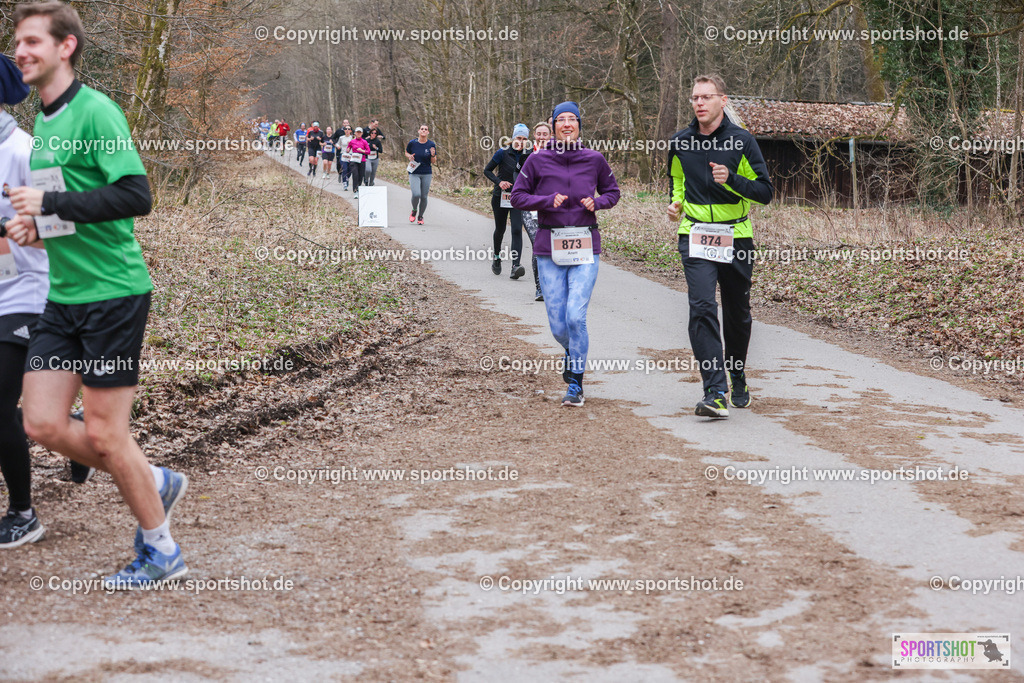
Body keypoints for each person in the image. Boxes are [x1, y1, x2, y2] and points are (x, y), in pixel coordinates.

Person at [7, 1, 190, 586]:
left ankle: (162, 551)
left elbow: (136, 195)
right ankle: (154, 478)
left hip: (113, 295)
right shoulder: (45, 127)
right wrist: (36, 228)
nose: (21, 51)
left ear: (66, 47)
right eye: (17, 42)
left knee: (109, 435)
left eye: (33, 40)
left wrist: (50, 205)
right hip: (62, 297)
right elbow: (66, 213)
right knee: (41, 423)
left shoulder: (95, 112)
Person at [667, 74, 773, 418]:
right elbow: (678, 181)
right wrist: (676, 204)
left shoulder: (742, 141)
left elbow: (765, 192)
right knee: (701, 307)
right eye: (695, 97)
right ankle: (714, 390)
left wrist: (733, 180)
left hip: (736, 236)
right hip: (695, 235)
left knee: (737, 314)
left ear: (722, 101)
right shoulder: (681, 141)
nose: (699, 103)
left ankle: (737, 371)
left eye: (706, 97)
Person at [510, 102, 619, 407]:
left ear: (579, 126)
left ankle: (576, 383)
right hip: (549, 248)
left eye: (573, 119)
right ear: (554, 126)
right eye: (562, 120)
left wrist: (597, 203)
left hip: (586, 246)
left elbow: (613, 192)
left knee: (575, 317)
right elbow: (518, 196)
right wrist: (546, 200)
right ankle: (572, 353)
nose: (568, 124)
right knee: (558, 325)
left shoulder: (594, 159)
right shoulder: (538, 160)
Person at [0, 53, 50, 548]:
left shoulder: (27, 151)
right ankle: (70, 430)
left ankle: (23, 512)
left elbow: (63, 224)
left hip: (25, 290)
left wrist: (15, 232)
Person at [484, 123, 531, 279]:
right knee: (500, 229)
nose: (521, 141)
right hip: (501, 197)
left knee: (517, 229)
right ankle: (497, 257)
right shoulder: (503, 152)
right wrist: (499, 182)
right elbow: (487, 170)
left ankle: (515, 266)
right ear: (513, 138)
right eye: (518, 138)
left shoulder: (529, 154)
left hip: (519, 197)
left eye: (524, 139)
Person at [520, 121, 552, 300]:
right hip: (530, 206)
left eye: (544, 134)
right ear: (534, 136)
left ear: (550, 136)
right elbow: (517, 178)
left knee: (553, 247)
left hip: (552, 207)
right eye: (538, 134)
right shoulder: (525, 154)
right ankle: (540, 288)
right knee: (538, 244)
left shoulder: (558, 155)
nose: (541, 137)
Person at [406, 124, 436, 224]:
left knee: (423, 196)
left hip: (426, 172)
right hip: (414, 172)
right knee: (416, 194)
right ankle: (414, 210)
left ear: (428, 132)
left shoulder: (431, 144)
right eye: (422, 129)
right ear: (419, 131)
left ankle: (420, 216)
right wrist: (409, 156)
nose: (423, 131)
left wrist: (433, 155)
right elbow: (406, 152)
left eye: (425, 129)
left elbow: (434, 161)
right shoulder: (412, 143)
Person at [347, 127, 371, 197]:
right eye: (357, 132)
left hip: (362, 159)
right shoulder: (352, 141)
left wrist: (362, 150)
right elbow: (348, 149)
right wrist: (348, 150)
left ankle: (358, 187)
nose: (358, 134)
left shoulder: (364, 142)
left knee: (360, 176)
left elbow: (368, 152)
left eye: (360, 132)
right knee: (355, 174)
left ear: (362, 133)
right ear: (355, 133)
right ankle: (355, 190)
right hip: (354, 160)